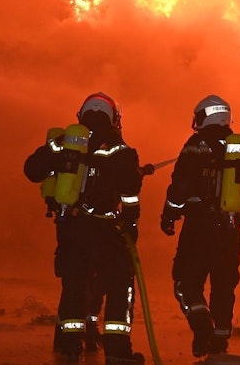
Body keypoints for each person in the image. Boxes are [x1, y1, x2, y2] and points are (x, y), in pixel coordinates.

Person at [25, 92, 148, 364]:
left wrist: (57, 155)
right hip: (105, 230)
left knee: (74, 286)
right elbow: (130, 194)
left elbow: (32, 170)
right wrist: (131, 226)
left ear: (82, 114)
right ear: (114, 118)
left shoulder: (65, 143)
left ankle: (69, 348)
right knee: (120, 282)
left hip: (70, 229)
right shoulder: (121, 150)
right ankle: (117, 350)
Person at [159, 94, 240, 358]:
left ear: (203, 117)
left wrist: (169, 215)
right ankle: (219, 343)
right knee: (223, 287)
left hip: (199, 228)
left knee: (185, 281)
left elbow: (180, 185)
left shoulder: (195, 146)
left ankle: (201, 325)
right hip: (230, 232)